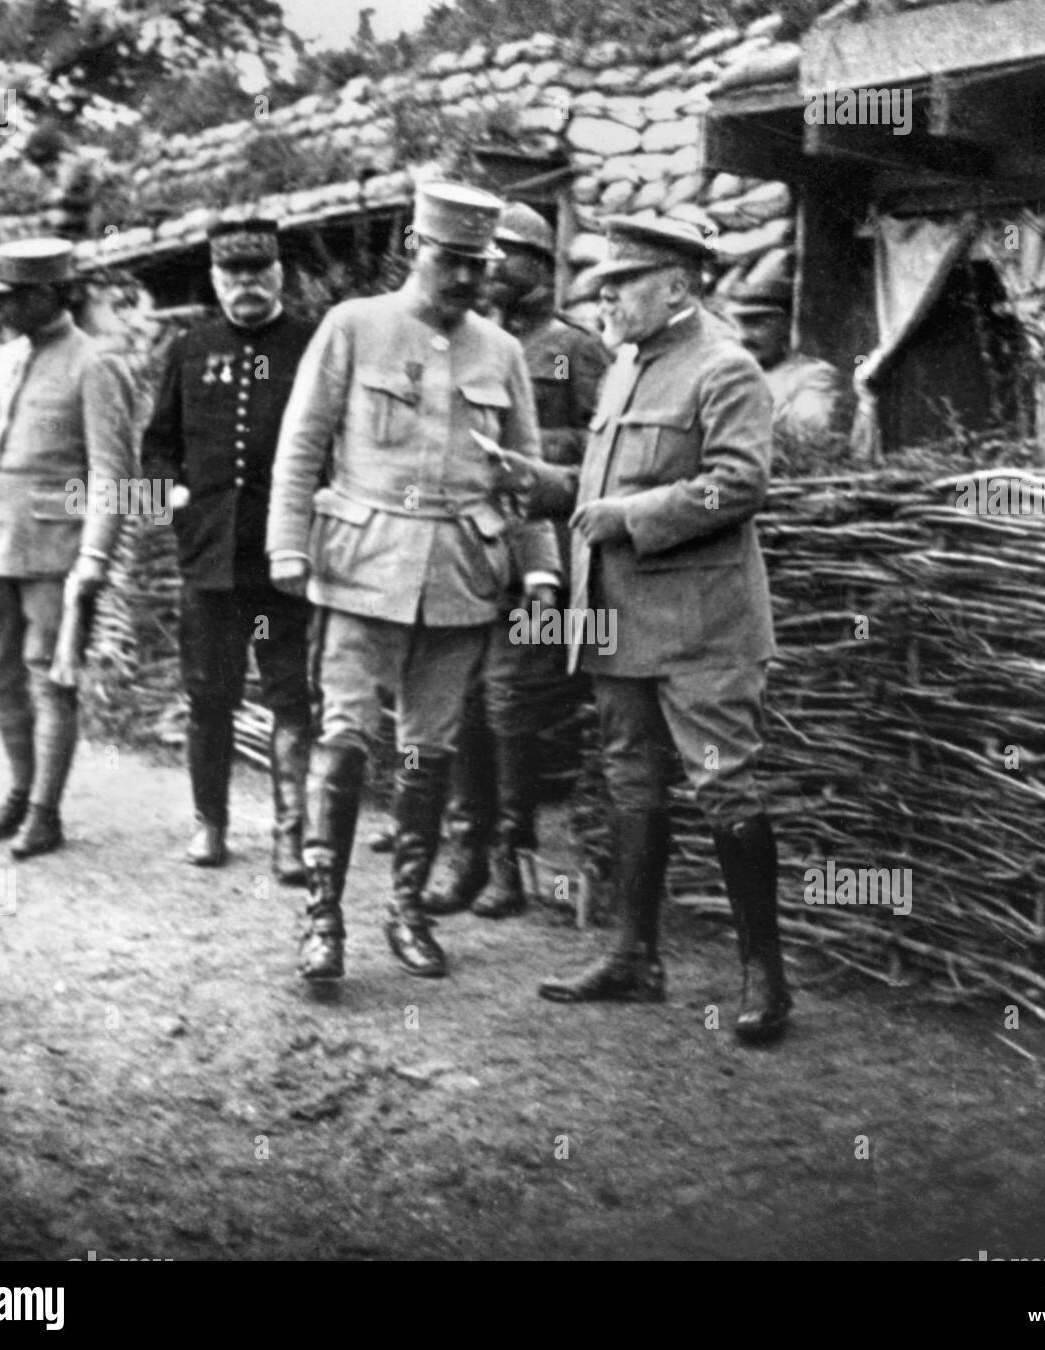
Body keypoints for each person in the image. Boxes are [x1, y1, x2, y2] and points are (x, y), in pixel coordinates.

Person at [486, 214, 794, 1045]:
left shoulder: (726, 369)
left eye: (622, 284)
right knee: (630, 783)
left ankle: (765, 976)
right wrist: (540, 482)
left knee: (725, 785)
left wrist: (628, 515)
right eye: (605, 285)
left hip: (702, 627)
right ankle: (633, 955)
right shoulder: (625, 368)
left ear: (678, 286)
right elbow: (596, 486)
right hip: (617, 620)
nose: (607, 298)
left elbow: (738, 487)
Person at [266, 181, 559, 983]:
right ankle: (323, 915)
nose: (468, 279)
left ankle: (406, 910)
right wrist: (288, 545)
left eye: (479, 265)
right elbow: (301, 446)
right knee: (347, 738)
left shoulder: (499, 352)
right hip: (362, 567)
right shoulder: (353, 327)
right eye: (453, 261)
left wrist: (540, 566)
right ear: (415, 250)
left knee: (431, 750)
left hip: (462, 574)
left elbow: (523, 475)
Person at [423, 201, 608, 920]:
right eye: (483, 256)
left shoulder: (575, 347)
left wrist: (539, 455)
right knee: (464, 703)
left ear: (541, 265)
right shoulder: (474, 347)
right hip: (477, 553)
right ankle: (466, 854)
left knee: (509, 705)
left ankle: (511, 857)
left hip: (544, 563)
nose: (492, 268)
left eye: (509, 255)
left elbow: (606, 450)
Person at [141, 219, 317, 879]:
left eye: (257, 272)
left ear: (279, 275)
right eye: (231, 275)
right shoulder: (189, 349)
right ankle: (210, 824)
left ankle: (289, 835)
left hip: (284, 558)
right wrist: (165, 494)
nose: (245, 285)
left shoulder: (311, 343)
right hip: (210, 558)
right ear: (215, 280)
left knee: (290, 696)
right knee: (209, 694)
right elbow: (158, 441)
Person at [0, 238, 134, 858]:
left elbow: (114, 477)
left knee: (51, 680)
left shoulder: (97, 363)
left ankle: (44, 811)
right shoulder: (5, 358)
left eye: (7, 299)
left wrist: (94, 561)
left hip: (54, 554)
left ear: (43, 295)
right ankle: (18, 791)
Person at [718, 268, 848, 459]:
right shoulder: (720, 376)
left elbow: (809, 434)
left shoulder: (814, 376)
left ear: (786, 325)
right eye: (733, 325)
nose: (742, 336)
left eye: (756, 323)